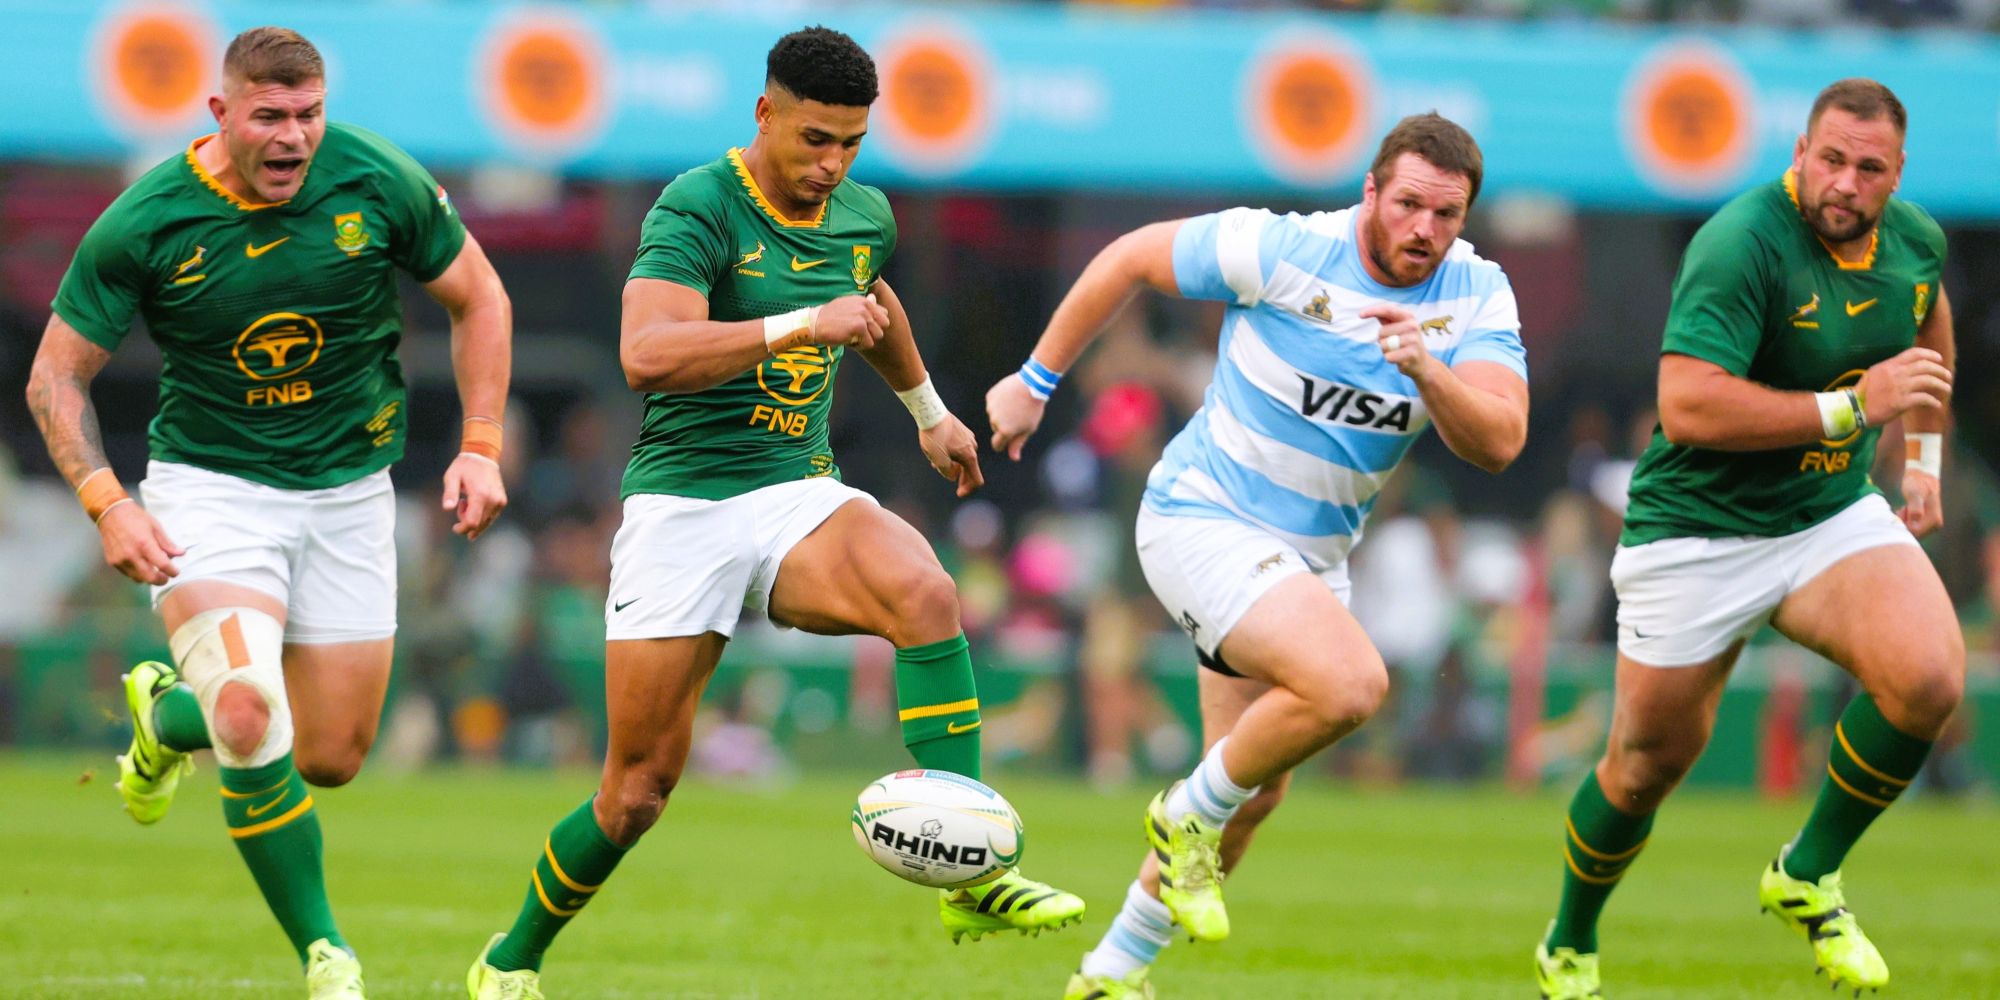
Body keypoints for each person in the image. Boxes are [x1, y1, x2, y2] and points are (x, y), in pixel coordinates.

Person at [465, 26, 1083, 999]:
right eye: (813, 139)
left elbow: (870, 299)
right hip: (682, 508)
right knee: (635, 793)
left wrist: (929, 413)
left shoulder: (862, 214)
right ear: (765, 114)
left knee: (926, 592)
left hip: (797, 490)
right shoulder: (697, 206)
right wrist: (801, 323)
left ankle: (972, 876)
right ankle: (510, 959)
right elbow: (645, 354)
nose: (831, 164)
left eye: (850, 144)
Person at [987, 112, 1530, 1000]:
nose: (1424, 229)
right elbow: (1129, 257)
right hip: (1202, 518)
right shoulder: (1283, 249)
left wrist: (1430, 371)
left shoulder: (1477, 293)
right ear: (1370, 192)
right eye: (1408, 204)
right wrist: (1034, 380)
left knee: (1255, 794)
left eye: (1447, 214)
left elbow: (1501, 440)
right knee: (1349, 686)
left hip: (1309, 563)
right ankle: (1183, 812)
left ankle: (1112, 972)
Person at [24, 26, 512, 1000]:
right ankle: (328, 957)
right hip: (213, 489)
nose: (293, 137)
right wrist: (107, 502)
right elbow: (54, 379)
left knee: (329, 755)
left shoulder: (376, 179)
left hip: (348, 493)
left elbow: (480, 297)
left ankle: (167, 715)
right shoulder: (148, 220)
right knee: (251, 717)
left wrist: (482, 443)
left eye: (308, 115)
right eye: (270, 117)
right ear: (221, 113)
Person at [1530, 78, 1959, 998]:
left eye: (1868, 168)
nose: (1845, 182)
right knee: (1644, 767)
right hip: (1698, 530)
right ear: (1799, 153)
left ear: (1897, 174)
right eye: (1830, 159)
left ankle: (1807, 872)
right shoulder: (1741, 242)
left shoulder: (1916, 240)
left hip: (1826, 513)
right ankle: (1570, 938)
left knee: (1929, 677)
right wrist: (1854, 408)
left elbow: (1928, 323)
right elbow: (1687, 406)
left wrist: (1922, 460)